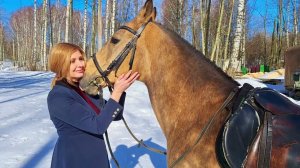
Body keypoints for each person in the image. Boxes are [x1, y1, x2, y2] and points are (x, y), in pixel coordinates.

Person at [47, 42, 139, 168]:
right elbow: (98, 126)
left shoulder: (84, 90)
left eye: (80, 59)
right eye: (72, 61)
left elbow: (115, 115)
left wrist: (118, 91)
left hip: (96, 157)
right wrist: (117, 92)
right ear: (60, 65)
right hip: (75, 159)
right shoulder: (58, 96)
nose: (80, 64)